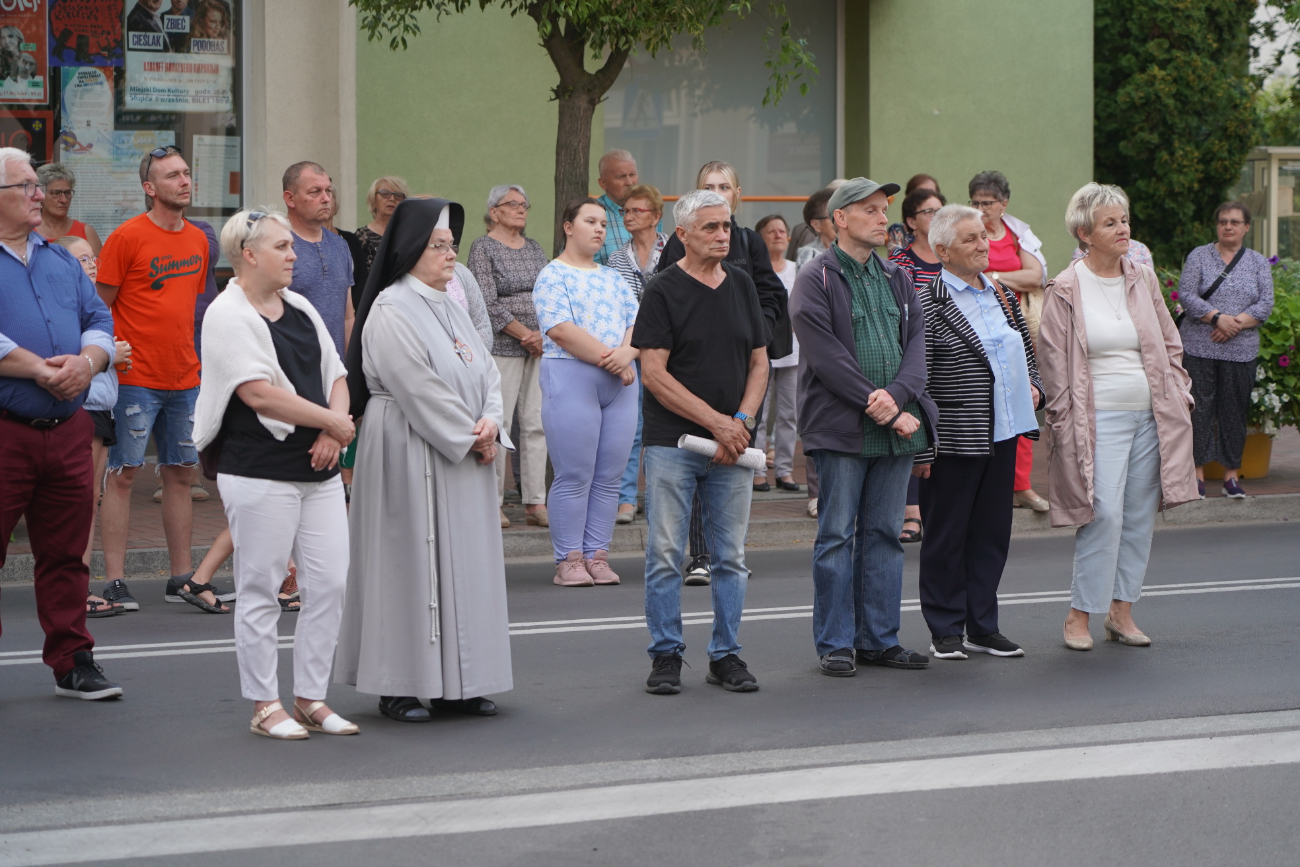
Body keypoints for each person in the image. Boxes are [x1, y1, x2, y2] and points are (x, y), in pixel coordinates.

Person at [337, 197, 514, 722]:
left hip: (460, 447)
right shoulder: (390, 309)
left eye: (452, 246)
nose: (449, 255)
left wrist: (491, 421)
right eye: (438, 246)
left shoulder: (453, 305)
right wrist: (472, 433)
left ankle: (460, 683)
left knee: (465, 565)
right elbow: (416, 387)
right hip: (408, 447)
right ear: (411, 248)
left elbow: (487, 370)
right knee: (406, 562)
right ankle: (399, 684)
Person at [193, 209, 357, 738]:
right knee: (261, 587)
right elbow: (257, 393)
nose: (294, 255)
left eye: (293, 247)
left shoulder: (301, 305)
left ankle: (311, 697)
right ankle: (265, 704)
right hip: (259, 468)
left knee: (329, 583)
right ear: (249, 253)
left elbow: (336, 371)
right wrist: (332, 421)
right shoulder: (226, 314)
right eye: (283, 247)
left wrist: (334, 432)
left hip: (320, 466)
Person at [1040, 183, 1198, 650]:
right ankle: (1078, 616)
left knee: (1137, 517)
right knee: (1103, 515)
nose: (1122, 228)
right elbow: (1052, 364)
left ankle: (1121, 612)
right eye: (1110, 223)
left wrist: (1179, 392)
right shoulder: (1066, 288)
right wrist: (1064, 422)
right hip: (1097, 418)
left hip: (1153, 416)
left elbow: (1171, 343)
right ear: (1084, 232)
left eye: (1124, 220)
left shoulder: (1143, 278)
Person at [790, 177, 936, 678]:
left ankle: (878, 639)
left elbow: (918, 346)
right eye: (870, 210)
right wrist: (883, 408)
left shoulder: (897, 278)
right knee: (835, 536)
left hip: (895, 427)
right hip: (842, 428)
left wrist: (896, 398)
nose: (883, 218)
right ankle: (835, 642)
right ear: (840, 219)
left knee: (884, 535)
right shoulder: (817, 278)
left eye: (884, 209)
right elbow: (826, 357)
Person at [634, 189, 769, 695]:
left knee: (730, 556)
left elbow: (759, 361)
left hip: (733, 441)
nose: (722, 234)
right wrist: (719, 423)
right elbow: (654, 373)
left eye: (726, 226)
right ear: (683, 234)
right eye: (710, 227)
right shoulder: (663, 289)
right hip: (675, 442)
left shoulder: (740, 283)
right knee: (667, 553)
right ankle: (666, 654)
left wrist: (742, 419)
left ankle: (726, 655)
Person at [0, 146, 121, 699]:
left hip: (67, 431)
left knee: (67, 554)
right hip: (7, 430)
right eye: (25, 186)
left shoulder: (61, 258)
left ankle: (73, 661)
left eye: (36, 185)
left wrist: (87, 362)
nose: (37, 194)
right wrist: (38, 369)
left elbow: (98, 318)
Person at [96, 145, 232, 614]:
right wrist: (109, 356)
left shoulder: (198, 239)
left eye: (187, 173)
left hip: (185, 377)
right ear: (150, 188)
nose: (185, 181)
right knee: (123, 474)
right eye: (173, 175)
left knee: (180, 475)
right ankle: (114, 580)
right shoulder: (126, 238)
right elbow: (100, 307)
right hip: (135, 378)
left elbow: (188, 307)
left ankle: (182, 576)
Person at [913, 205, 1043, 660]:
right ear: (943, 250)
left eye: (984, 236)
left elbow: (1026, 350)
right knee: (948, 534)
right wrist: (923, 447)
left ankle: (982, 625)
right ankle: (945, 627)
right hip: (956, 434)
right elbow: (920, 377)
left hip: (1005, 430)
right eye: (970, 239)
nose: (983, 244)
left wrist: (1036, 388)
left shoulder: (1002, 293)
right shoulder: (927, 302)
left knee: (991, 533)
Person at [656, 161, 790, 585]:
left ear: (738, 194)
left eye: (724, 187)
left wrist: (757, 337)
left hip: (743, 370)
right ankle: (701, 554)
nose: (717, 193)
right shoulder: (679, 245)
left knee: (735, 454)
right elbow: (663, 304)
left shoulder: (748, 242)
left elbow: (770, 294)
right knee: (697, 460)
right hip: (691, 377)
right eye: (708, 187)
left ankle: (729, 549)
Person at [533, 198, 640, 585]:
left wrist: (627, 353)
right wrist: (611, 360)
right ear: (568, 226)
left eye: (602, 222)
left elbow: (637, 321)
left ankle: (597, 554)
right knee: (575, 473)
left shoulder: (614, 277)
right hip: (572, 375)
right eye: (589, 221)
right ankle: (569, 560)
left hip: (622, 381)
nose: (599, 229)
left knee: (609, 476)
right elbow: (560, 329)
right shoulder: (552, 274)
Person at [55, 236, 132, 618]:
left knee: (88, 500)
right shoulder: (63, 302)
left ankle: (76, 587)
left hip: (99, 407)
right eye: (82, 259)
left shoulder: (92, 303)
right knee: (80, 502)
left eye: (93, 258)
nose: (92, 265)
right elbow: (62, 353)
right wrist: (109, 356)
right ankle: (77, 590)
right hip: (82, 408)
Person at [466, 184, 550, 529]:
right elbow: (485, 300)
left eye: (524, 204)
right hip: (504, 346)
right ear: (494, 211)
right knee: (497, 424)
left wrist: (543, 335)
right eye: (512, 204)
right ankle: (494, 501)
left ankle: (535, 501)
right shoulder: (482, 248)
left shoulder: (534, 247)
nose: (520, 209)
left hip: (541, 346)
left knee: (536, 423)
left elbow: (548, 290)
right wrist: (524, 334)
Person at [1177, 202, 1273, 499]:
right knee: (1199, 411)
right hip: (1199, 347)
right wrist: (1218, 318)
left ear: (1246, 227)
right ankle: (1197, 476)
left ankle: (1232, 477)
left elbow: (1265, 303)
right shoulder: (1199, 256)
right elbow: (1187, 295)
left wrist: (1235, 324)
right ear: (1217, 226)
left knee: (1234, 412)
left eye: (1234, 222)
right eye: (1222, 222)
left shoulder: (1257, 262)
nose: (1228, 226)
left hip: (1240, 350)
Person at [968, 170, 1050, 513]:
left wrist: (996, 277)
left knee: (1023, 400)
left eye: (987, 202)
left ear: (1004, 204)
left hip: (1014, 329)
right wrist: (1003, 280)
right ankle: (988, 485)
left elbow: (1035, 276)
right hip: (978, 326)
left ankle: (1021, 485)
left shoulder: (1017, 233)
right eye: (975, 202)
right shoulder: (968, 232)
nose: (981, 209)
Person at [608, 183, 669, 525]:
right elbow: (619, 308)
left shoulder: (674, 250)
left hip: (668, 353)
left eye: (636, 211)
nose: (629, 216)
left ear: (656, 216)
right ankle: (626, 499)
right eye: (625, 211)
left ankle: (658, 497)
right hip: (631, 351)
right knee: (632, 427)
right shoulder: (617, 257)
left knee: (664, 427)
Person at [889, 187, 947, 543]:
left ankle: (934, 508)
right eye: (928, 212)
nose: (936, 217)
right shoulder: (901, 261)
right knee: (915, 426)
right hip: (914, 352)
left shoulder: (951, 256)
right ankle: (911, 510)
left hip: (950, 359)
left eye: (941, 211)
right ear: (911, 221)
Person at [282, 162, 354, 362]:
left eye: (328, 191)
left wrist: (349, 374)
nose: (326, 199)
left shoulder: (340, 246)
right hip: (291, 376)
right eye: (315, 192)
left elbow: (348, 318)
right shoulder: (277, 246)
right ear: (290, 198)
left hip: (335, 375)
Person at [753, 214, 801, 493]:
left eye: (783, 230)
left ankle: (784, 471)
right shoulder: (757, 270)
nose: (778, 235)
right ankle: (758, 469)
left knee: (788, 415)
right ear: (761, 238)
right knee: (758, 413)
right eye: (771, 231)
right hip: (763, 353)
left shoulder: (798, 269)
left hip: (794, 354)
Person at [352, 175, 409, 309]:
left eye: (398, 195)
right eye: (385, 194)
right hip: (374, 307)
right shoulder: (361, 237)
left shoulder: (408, 235)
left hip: (406, 305)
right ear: (373, 200)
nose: (392, 199)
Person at [35, 165, 103, 255]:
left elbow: (99, 267)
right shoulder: (26, 232)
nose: (64, 200)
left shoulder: (87, 232)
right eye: (56, 193)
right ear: (41, 195)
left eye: (67, 193)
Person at [594, 150, 641, 265]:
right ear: (603, 183)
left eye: (632, 175)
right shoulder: (591, 213)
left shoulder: (649, 212)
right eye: (621, 177)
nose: (629, 182)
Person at [887, 173, 942, 252]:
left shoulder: (948, 231)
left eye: (932, 192)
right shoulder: (898, 230)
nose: (928, 196)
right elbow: (894, 262)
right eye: (921, 194)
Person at [795, 187, 837, 271]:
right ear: (816, 225)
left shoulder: (859, 250)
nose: (840, 221)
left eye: (843, 214)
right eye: (833, 216)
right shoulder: (809, 255)